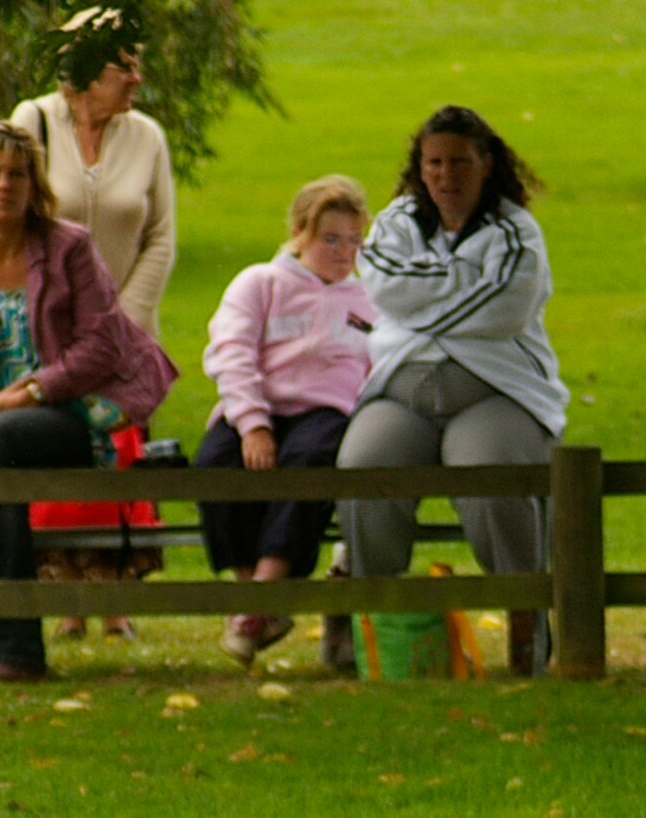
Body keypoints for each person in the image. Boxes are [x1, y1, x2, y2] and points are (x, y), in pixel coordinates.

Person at [0, 120, 174, 683]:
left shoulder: (68, 247)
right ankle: (15, 654)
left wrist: (30, 392)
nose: (3, 185)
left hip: (74, 417)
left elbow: (101, 346)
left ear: (35, 186)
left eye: (17, 174)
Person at [337, 104, 567, 676]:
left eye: (459, 161)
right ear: (420, 166)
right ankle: (374, 631)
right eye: (434, 162)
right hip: (401, 389)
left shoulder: (517, 231)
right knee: (364, 467)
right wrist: (461, 288)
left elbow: (505, 305)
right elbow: (386, 287)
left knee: (491, 478)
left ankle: (527, 632)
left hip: (496, 390)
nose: (446, 174)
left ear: (486, 164)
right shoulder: (393, 223)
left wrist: (422, 305)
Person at [12, 5, 178, 638]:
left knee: (118, 464)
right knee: (54, 465)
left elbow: (160, 239)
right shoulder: (32, 123)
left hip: (125, 341)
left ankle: (117, 606)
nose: (136, 78)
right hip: (46, 337)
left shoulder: (148, 136)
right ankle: (64, 606)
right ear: (81, 68)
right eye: (123, 65)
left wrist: (116, 330)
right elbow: (9, 218)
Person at [196, 175, 376, 666]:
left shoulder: (368, 301)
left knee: (309, 462)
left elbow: (379, 366)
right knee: (215, 463)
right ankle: (252, 594)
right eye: (331, 239)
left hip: (325, 410)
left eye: (354, 241)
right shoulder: (261, 283)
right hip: (258, 404)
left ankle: (261, 597)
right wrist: (252, 422)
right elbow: (231, 351)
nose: (344, 253)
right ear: (300, 232)